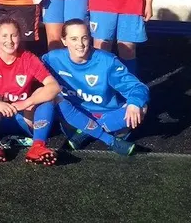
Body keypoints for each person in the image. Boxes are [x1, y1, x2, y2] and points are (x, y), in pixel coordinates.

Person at [0, 15, 61, 164]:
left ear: (19, 37)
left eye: (14, 35)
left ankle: (38, 146)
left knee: (47, 95)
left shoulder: (28, 58)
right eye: (4, 36)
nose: (9, 41)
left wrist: (26, 102)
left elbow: (54, 86)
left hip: (24, 118)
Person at [43, 19, 149, 156]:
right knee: (53, 98)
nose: (80, 44)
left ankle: (86, 133)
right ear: (64, 41)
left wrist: (134, 103)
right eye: (73, 39)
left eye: (84, 38)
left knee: (141, 106)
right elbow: (29, 70)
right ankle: (105, 135)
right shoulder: (52, 59)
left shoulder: (107, 61)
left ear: (90, 38)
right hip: (75, 115)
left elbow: (138, 87)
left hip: (106, 113)